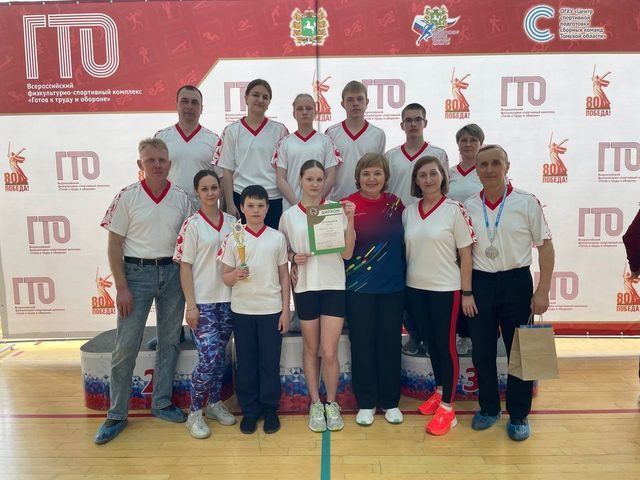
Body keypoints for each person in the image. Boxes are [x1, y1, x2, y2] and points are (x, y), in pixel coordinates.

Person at [95, 138, 192, 445]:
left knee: (169, 340)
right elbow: (114, 244)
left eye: (162, 160)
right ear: (140, 164)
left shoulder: (181, 198)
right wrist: (121, 286)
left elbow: (188, 242)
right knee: (126, 345)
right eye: (151, 160)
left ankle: (161, 403)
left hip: (172, 272)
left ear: (170, 163)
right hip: (136, 275)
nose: (157, 165)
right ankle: (116, 413)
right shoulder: (127, 196)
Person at [463, 144, 554, 442]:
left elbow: (546, 247)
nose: (489, 169)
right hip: (480, 283)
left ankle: (518, 414)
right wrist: (466, 291)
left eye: (496, 163)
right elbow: (463, 253)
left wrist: (543, 289)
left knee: (521, 352)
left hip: (516, 282)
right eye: (483, 164)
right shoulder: (467, 206)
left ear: (507, 166)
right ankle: (489, 408)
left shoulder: (526, 202)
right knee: (482, 351)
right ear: (476, 170)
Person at [279, 160, 356, 432]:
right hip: (306, 288)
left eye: (319, 179)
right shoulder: (289, 216)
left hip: (333, 286)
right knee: (311, 349)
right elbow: (282, 252)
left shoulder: (335, 210)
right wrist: (292, 257)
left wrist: (351, 219)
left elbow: (347, 253)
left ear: (325, 182)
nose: (314, 184)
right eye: (309, 179)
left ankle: (331, 403)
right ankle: (315, 404)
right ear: (300, 180)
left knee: (329, 351)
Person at [404, 156, 476, 436]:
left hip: (445, 289)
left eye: (433, 173)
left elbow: (466, 254)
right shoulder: (409, 212)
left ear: (443, 177)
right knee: (431, 344)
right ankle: (439, 390)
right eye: (422, 175)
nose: (428, 179)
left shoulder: (454, 209)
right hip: (415, 288)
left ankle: (448, 408)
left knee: (446, 347)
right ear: (416, 180)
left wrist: (467, 292)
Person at [219, 185, 290, 434]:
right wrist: (235, 275)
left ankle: (270, 409)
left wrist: (285, 310)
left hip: (271, 310)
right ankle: (249, 411)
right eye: (250, 205)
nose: (256, 210)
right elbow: (225, 277)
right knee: (247, 364)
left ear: (268, 208)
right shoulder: (233, 238)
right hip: (242, 311)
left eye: (261, 206)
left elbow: (284, 276)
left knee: (269, 363)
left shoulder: (277, 238)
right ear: (241, 208)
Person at [173, 170, 237, 439]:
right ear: (196, 193)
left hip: (229, 300)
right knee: (208, 358)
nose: (210, 193)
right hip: (204, 302)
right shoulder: (192, 224)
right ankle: (194, 413)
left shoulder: (233, 222)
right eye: (204, 189)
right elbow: (185, 267)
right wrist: (191, 305)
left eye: (214, 187)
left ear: (220, 190)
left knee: (220, 356)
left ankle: (214, 403)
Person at [343, 153, 406, 426]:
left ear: (386, 177)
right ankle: (366, 403)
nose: (371, 178)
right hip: (358, 289)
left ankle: (390, 402)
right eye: (366, 173)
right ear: (358, 177)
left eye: (377, 173)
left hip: (393, 287)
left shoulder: (396, 204)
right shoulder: (346, 205)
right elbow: (338, 248)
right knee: (362, 343)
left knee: (390, 343)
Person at [385, 102, 449, 355]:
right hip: (401, 226)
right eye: (408, 120)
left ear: (425, 123)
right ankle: (413, 333)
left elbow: (445, 190)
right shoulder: (391, 156)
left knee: (431, 283)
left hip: (431, 227)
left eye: (417, 119)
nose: (413, 124)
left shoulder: (438, 154)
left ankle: (434, 336)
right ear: (401, 125)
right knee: (406, 285)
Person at [215, 79, 288, 228]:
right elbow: (227, 171)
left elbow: (285, 170)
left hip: (272, 199)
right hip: (241, 198)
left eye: (265, 97)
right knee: (243, 243)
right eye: (256, 95)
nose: (260, 100)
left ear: (269, 102)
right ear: (246, 98)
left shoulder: (280, 130)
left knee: (273, 241)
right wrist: (230, 204)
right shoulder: (232, 131)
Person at [447, 124, 485, 355]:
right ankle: (460, 334)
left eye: (473, 140)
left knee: (475, 287)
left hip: (480, 239)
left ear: (481, 143)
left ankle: (474, 335)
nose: (468, 144)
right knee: (457, 286)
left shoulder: (486, 171)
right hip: (453, 240)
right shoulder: (448, 173)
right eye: (464, 140)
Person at [154, 85, 224, 210]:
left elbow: (221, 179)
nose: (189, 107)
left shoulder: (214, 140)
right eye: (184, 101)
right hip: (170, 210)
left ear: (201, 109)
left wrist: (222, 209)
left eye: (194, 102)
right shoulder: (161, 138)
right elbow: (153, 176)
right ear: (176, 105)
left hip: (203, 212)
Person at [274, 93, 342, 211]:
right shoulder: (284, 142)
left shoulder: (326, 141)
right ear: (294, 114)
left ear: (315, 112)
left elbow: (331, 177)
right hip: (292, 208)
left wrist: (316, 203)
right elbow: (281, 179)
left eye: (309, 108)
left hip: (320, 209)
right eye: (300, 109)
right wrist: (299, 206)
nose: (304, 112)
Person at [325, 80, 385, 201]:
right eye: (350, 100)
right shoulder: (331, 133)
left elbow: (380, 172)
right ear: (343, 104)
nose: (356, 103)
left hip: (368, 201)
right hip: (337, 201)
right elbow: (326, 172)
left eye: (360, 99)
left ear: (367, 102)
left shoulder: (378, 134)